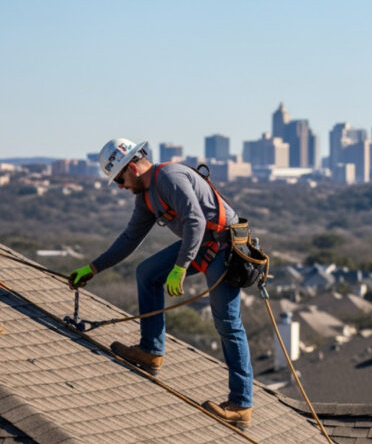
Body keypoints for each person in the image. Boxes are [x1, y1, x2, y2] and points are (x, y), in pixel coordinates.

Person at [69, 138, 254, 426]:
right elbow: (129, 239)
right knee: (147, 273)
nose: (120, 186)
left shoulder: (169, 176)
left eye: (120, 178)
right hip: (201, 245)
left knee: (228, 324)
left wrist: (180, 267)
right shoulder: (145, 197)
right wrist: (93, 269)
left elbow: (196, 221)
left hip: (224, 246)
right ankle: (151, 350)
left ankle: (241, 404)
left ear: (133, 166)